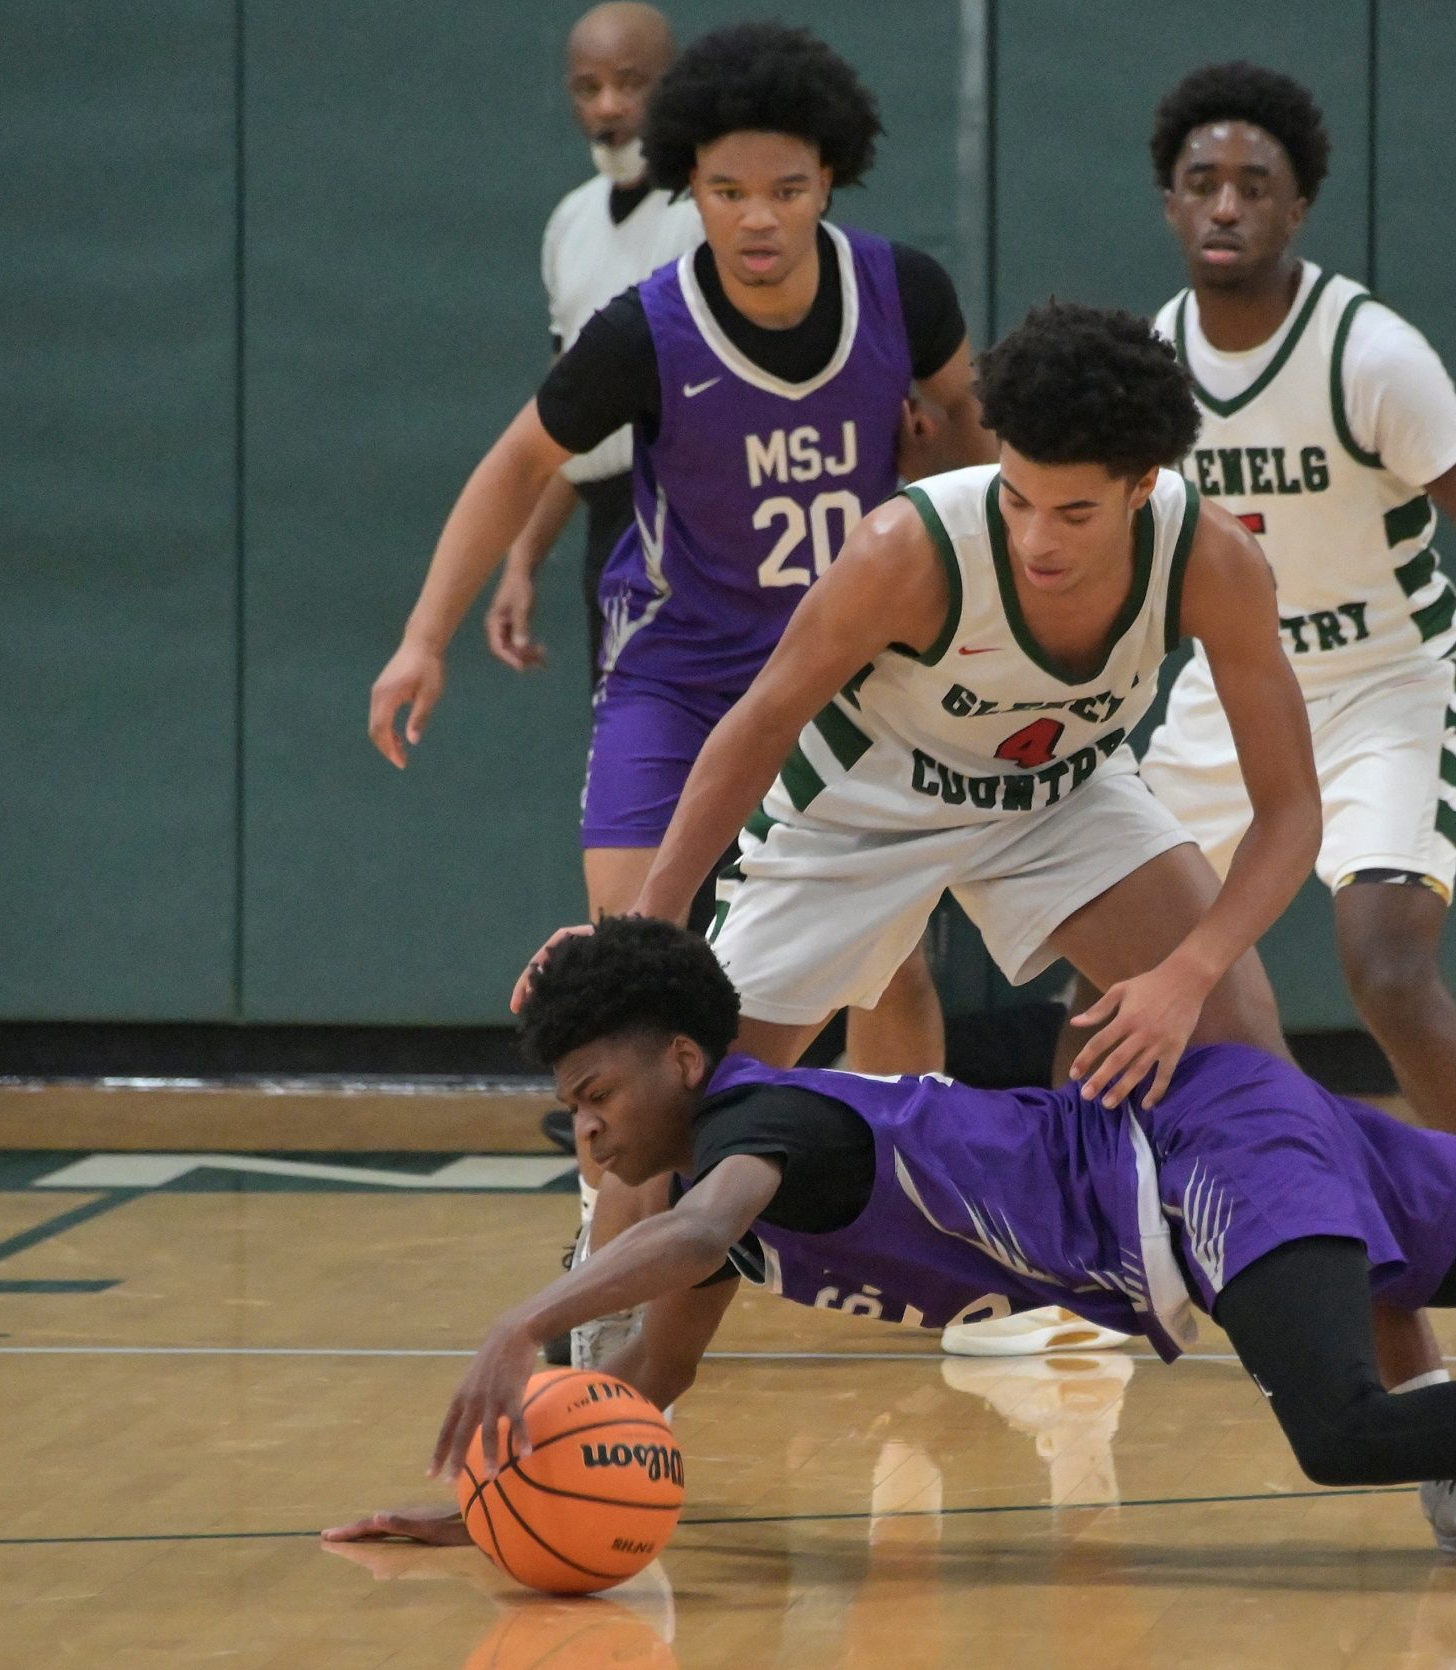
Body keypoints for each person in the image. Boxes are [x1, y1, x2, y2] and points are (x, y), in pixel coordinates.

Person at [509, 296, 1456, 1560]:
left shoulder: (1213, 559)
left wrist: (1187, 971)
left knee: (1270, 1093)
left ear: (1142, 487)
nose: (1038, 535)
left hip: (1060, 800)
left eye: (1073, 509)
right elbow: (756, 724)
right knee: (676, 1125)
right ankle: (567, 1419)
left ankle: (1452, 1449)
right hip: (858, 812)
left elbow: (1289, 814)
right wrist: (647, 938)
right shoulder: (909, 546)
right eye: (1016, 497)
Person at [326, 915, 1456, 1598]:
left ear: (669, 1059)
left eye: (586, 1096)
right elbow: (644, 1398)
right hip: (1217, 1149)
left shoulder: (755, 1138)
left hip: (1195, 1160)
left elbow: (698, 1232)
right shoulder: (710, 1199)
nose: (582, 1131)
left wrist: (520, 1311)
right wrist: (498, 1490)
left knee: (1344, 1427)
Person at [367, 20, 984, 1355]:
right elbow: (513, 464)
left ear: (833, 179)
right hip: (681, 678)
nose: (757, 220)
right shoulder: (643, 329)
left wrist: (945, 467)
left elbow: (981, 447)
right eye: (725, 191)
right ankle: (608, 1281)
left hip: (854, 682)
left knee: (893, 973)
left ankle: (935, 1235)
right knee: (637, 996)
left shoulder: (907, 295)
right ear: (688, 185)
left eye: (787, 190)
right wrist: (426, 633)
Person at [1130, 62, 1456, 1386]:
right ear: (1171, 204)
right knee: (1110, 980)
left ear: (1298, 208)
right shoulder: (1153, 367)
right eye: (1203, 183)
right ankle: (1102, 1266)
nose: (1227, 204)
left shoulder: (1370, 354)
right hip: (1228, 694)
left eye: (1255, 185)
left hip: (1389, 685)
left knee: (1386, 965)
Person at [484, 4, 702, 698]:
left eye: (631, 82)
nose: (610, 106)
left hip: (705, 516)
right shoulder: (570, 223)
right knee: (628, 762)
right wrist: (523, 560)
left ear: (675, 83)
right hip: (613, 526)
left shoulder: (712, 214)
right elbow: (564, 414)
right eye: (588, 87)